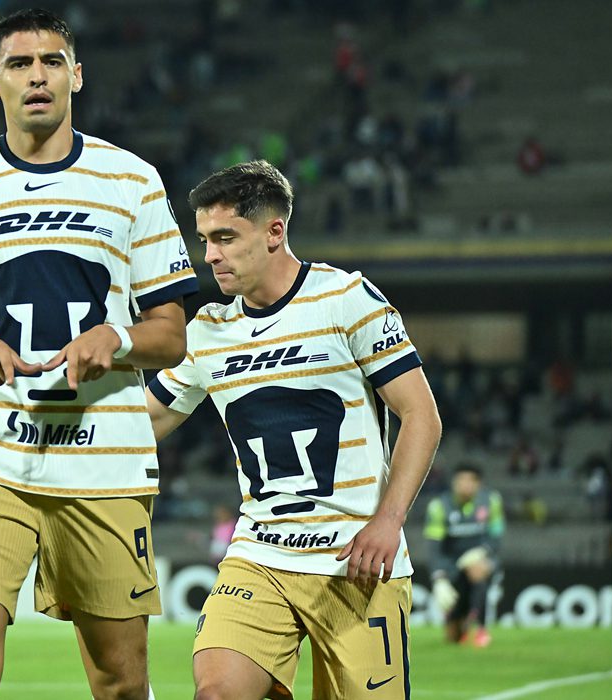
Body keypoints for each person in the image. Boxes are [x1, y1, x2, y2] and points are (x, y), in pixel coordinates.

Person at [0, 9, 198, 700]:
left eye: (51, 61)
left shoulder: (133, 180)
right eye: (20, 65)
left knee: (120, 676)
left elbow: (171, 332)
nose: (37, 76)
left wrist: (116, 338)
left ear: (76, 75)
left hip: (103, 459)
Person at [145, 160, 442, 699]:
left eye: (226, 237)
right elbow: (151, 420)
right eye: (206, 239)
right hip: (260, 556)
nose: (210, 254)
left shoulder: (346, 299)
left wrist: (389, 520)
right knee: (217, 693)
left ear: (274, 232)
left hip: (356, 560)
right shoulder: (208, 331)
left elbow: (421, 415)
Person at [424, 463, 504, 647]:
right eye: (461, 480)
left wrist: (482, 552)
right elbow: (434, 547)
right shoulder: (439, 507)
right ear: (453, 482)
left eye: (470, 481)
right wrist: (438, 578)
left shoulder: (491, 501)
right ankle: (460, 621)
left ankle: (481, 629)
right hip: (452, 565)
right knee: (454, 637)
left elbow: (497, 538)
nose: (465, 485)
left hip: (481, 559)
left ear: (478, 484)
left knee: (477, 570)